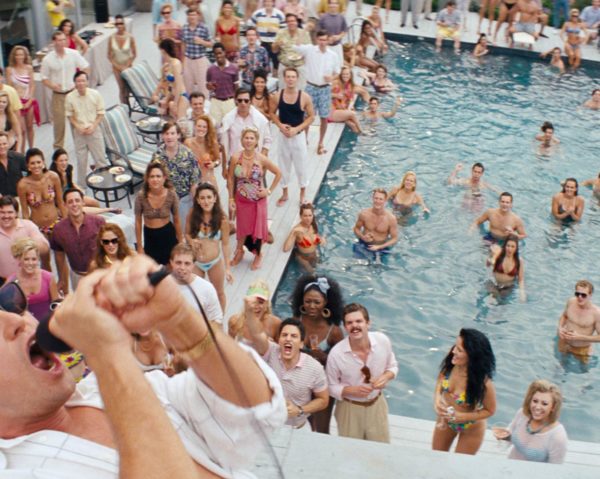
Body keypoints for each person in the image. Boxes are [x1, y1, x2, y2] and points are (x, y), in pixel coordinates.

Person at [0, 254, 286, 477]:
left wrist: (179, 319)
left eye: (10, 303)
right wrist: (107, 354)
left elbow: (258, 409)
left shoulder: (101, 392)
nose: (16, 320)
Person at [245, 300, 329, 429]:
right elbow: (256, 334)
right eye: (284, 335)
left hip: (297, 427)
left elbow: (323, 400)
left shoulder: (315, 368)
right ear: (279, 340)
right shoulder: (270, 351)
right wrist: (249, 311)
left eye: (294, 336)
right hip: (266, 425)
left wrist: (299, 410)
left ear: (301, 344)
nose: (288, 338)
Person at [326, 303, 398, 443]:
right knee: (350, 451)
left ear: (368, 323)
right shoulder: (336, 354)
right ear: (345, 327)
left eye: (359, 321)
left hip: (377, 405)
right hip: (349, 409)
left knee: (381, 448)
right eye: (349, 323)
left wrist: (385, 377)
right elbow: (330, 386)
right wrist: (352, 390)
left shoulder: (382, 341)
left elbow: (393, 366)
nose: (354, 326)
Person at [292, 274, 344, 433]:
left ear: (326, 303)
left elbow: (342, 364)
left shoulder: (334, 331)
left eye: (317, 302)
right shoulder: (296, 322)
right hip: (300, 382)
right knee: (302, 424)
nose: (312, 306)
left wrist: (324, 357)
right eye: (307, 301)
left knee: (321, 428)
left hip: (323, 384)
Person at [432, 328, 497, 454]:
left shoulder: (484, 383)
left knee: (459, 464)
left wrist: (464, 416)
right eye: (455, 346)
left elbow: (490, 410)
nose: (453, 351)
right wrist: (437, 399)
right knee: (436, 457)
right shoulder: (452, 363)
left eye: (459, 350)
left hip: (471, 428)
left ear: (472, 356)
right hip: (445, 421)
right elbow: (441, 379)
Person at [228, 127, 281, 270]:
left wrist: (268, 191)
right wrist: (231, 199)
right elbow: (231, 179)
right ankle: (239, 251)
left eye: (252, 138)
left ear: (257, 141)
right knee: (242, 228)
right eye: (246, 138)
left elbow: (278, 173)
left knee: (257, 229)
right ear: (242, 140)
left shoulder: (261, 159)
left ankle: (258, 255)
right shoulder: (235, 157)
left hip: (257, 202)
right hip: (241, 200)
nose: (249, 141)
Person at [493, 380, 568, 463]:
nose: (537, 407)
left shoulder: (557, 436)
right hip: (509, 466)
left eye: (544, 404)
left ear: (553, 407)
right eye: (535, 401)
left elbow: (555, 468)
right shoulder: (522, 414)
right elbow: (511, 433)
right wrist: (504, 437)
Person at [271, 68, 315, 206]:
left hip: (298, 136)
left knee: (301, 166)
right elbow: (271, 113)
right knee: (283, 166)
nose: (290, 79)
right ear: (284, 79)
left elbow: (311, 117)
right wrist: (280, 125)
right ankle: (285, 194)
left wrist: (297, 129)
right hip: (283, 136)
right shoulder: (277, 96)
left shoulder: (305, 97)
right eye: (288, 77)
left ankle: (302, 194)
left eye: (293, 77)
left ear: (297, 79)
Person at [185, 182, 233, 310]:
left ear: (215, 198)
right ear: (197, 200)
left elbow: (226, 244)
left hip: (214, 262)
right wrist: (191, 241)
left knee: (219, 293)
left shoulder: (222, 219)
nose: (206, 201)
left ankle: (219, 319)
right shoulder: (192, 214)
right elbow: (187, 234)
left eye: (209, 197)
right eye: (202, 198)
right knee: (196, 295)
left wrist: (228, 268)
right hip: (196, 262)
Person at [293, 30, 341, 156]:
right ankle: (304, 140)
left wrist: (332, 78)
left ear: (328, 40)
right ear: (317, 40)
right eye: (320, 40)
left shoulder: (333, 55)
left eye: (324, 40)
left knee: (324, 117)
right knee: (307, 116)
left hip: (325, 88)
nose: (322, 42)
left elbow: (337, 72)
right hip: (311, 87)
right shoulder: (310, 50)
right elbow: (296, 47)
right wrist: (301, 32)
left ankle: (320, 142)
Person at [41, 31, 89, 150]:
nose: (63, 42)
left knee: (77, 121)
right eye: (59, 40)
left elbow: (86, 67)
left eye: (64, 39)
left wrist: (81, 82)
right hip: (58, 95)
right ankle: (58, 149)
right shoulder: (48, 59)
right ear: (54, 42)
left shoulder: (73, 54)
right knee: (59, 124)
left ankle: (80, 146)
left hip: (73, 93)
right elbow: (44, 78)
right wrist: (52, 85)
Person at [51, 188, 105, 292]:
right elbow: (59, 255)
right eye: (70, 202)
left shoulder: (98, 222)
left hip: (100, 274)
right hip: (77, 276)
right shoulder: (58, 229)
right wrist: (61, 279)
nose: (74, 204)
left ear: (83, 202)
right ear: (65, 205)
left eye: (77, 200)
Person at [151, 121, 201, 232]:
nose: (169, 137)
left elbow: (194, 182)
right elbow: (152, 181)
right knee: (167, 231)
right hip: (164, 201)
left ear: (178, 135)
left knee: (185, 231)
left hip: (184, 200)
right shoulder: (157, 156)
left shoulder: (188, 154)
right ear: (162, 136)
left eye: (172, 133)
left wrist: (196, 205)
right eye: (166, 133)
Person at [65, 71, 108, 187]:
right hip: (79, 132)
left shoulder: (95, 94)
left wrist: (93, 125)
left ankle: (106, 183)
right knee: (81, 161)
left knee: (100, 159)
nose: (80, 83)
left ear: (87, 82)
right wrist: (77, 126)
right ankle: (81, 186)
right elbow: (69, 115)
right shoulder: (70, 97)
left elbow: (101, 113)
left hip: (94, 130)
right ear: (74, 83)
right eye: (78, 81)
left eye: (83, 81)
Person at [135, 161, 181, 266]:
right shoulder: (141, 196)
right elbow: (138, 221)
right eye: (152, 176)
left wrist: (180, 242)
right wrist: (139, 246)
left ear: (164, 178)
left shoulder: (172, 195)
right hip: (150, 237)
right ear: (147, 179)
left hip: (168, 235)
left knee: (171, 267)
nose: (155, 179)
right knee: (152, 269)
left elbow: (177, 220)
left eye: (158, 176)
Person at [221, 88, 272, 177]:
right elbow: (224, 145)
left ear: (250, 101)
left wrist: (261, 160)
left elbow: (267, 141)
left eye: (246, 100)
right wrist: (224, 167)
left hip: (255, 164)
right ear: (235, 101)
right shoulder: (228, 119)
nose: (243, 103)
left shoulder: (260, 119)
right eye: (240, 100)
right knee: (233, 186)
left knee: (256, 186)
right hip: (235, 163)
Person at [169, 242, 224, 325]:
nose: (182, 267)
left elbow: (216, 319)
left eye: (187, 263)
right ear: (171, 262)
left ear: (193, 265)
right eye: (178, 263)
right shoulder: (162, 285)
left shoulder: (206, 288)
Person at [17, 148, 66, 240]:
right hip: (37, 228)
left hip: (57, 222)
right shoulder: (23, 185)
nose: (36, 166)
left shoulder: (53, 177)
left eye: (38, 162)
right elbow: (25, 212)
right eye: (32, 163)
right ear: (28, 165)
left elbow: (61, 202)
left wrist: (66, 222)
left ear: (43, 162)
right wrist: (28, 233)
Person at [0, 195, 49, 282]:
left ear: (16, 213)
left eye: (10, 212)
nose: (6, 216)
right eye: (2, 212)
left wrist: (30, 245)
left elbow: (45, 248)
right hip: (3, 282)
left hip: (29, 279)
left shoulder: (28, 226)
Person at [7, 238, 59, 321]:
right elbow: (10, 313)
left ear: (38, 259)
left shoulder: (48, 277)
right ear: (19, 259)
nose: (30, 263)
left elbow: (56, 305)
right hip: (25, 325)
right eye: (26, 259)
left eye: (34, 259)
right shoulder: (11, 282)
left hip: (47, 324)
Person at [557, 280, 600, 363]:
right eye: (577, 294)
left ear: (590, 295)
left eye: (583, 295)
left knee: (584, 369)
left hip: (582, 349)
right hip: (564, 342)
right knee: (558, 365)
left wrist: (579, 337)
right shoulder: (571, 302)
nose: (579, 297)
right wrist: (560, 328)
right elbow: (564, 316)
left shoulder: (596, 313)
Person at [6, 46, 38, 151]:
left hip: (28, 100)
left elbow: (32, 85)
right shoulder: (9, 70)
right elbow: (10, 88)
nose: (19, 57)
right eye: (17, 54)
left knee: (30, 127)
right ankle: (22, 153)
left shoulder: (29, 68)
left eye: (21, 54)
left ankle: (32, 149)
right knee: (22, 129)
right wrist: (16, 103)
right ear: (14, 56)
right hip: (17, 103)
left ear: (25, 56)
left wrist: (30, 100)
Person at [353, 188, 399, 258]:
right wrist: (362, 237)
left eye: (380, 199)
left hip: (381, 248)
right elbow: (356, 229)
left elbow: (394, 239)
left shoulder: (391, 219)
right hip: (363, 243)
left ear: (385, 200)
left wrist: (379, 246)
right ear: (373, 199)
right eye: (376, 198)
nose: (378, 201)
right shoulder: (364, 214)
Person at [272, 14, 312, 89]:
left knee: (301, 91)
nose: (291, 23)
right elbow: (274, 50)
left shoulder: (304, 33)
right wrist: (277, 44)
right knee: (283, 90)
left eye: (293, 21)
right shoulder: (281, 33)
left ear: (297, 22)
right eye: (289, 21)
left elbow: (309, 50)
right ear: (286, 23)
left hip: (299, 66)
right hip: (285, 66)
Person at [284, 202, 325, 272]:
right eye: (305, 216)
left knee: (320, 268)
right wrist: (292, 232)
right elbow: (286, 249)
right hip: (303, 258)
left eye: (310, 215)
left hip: (314, 254)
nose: (308, 218)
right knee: (312, 273)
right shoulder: (297, 230)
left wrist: (322, 239)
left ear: (313, 215)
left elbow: (317, 238)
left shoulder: (313, 225)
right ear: (301, 216)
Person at [152, 39, 188, 120]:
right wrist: (165, 98)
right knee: (173, 121)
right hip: (173, 96)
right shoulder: (167, 65)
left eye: (161, 52)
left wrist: (175, 103)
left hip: (181, 96)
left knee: (180, 121)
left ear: (164, 51)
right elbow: (168, 84)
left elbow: (178, 85)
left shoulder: (176, 64)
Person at [249, 0, 286, 76]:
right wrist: (257, 39)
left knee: (276, 65)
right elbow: (251, 28)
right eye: (266, 1)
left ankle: (275, 80)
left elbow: (284, 31)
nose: (268, 3)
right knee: (262, 65)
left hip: (275, 44)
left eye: (270, 1)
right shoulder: (257, 14)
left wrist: (275, 30)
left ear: (273, 3)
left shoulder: (280, 15)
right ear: (264, 2)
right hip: (262, 43)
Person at [206, 43, 239, 126]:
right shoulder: (210, 69)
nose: (218, 56)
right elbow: (207, 84)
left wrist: (236, 100)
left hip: (229, 101)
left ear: (224, 52)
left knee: (230, 126)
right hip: (215, 101)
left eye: (220, 53)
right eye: (216, 54)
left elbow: (236, 86)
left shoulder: (233, 68)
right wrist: (209, 86)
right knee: (214, 126)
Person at [181, 8, 212, 98]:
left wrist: (202, 42)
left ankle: (205, 103)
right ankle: (189, 104)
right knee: (188, 85)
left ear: (198, 16)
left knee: (203, 85)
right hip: (188, 59)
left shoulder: (204, 28)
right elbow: (183, 44)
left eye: (194, 15)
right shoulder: (184, 28)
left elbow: (211, 44)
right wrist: (182, 60)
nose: (192, 17)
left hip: (200, 59)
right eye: (190, 15)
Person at [486, 235, 526, 302]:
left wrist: (522, 293)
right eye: (508, 246)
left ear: (516, 248)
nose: (509, 249)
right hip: (493, 283)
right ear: (505, 246)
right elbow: (488, 265)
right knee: (491, 300)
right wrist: (490, 259)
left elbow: (521, 280)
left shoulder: (519, 261)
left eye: (512, 246)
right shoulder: (498, 254)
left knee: (502, 303)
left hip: (508, 287)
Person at [108, 14, 137, 105]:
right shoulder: (111, 38)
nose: (119, 26)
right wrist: (117, 66)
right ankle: (124, 107)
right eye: (117, 24)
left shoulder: (130, 37)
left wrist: (126, 65)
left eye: (121, 23)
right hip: (116, 67)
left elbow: (134, 54)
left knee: (127, 88)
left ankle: (127, 105)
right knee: (121, 88)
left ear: (124, 24)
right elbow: (109, 55)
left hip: (127, 66)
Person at [328, 66, 366, 134]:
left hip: (341, 110)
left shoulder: (349, 85)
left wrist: (350, 107)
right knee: (352, 114)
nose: (345, 76)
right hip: (330, 111)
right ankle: (362, 131)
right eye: (343, 74)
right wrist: (335, 95)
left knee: (353, 125)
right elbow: (323, 94)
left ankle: (359, 136)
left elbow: (350, 100)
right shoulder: (336, 83)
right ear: (341, 75)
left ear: (350, 75)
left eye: (347, 74)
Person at [0, 132, 27, 199]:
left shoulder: (18, 157)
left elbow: (31, 171)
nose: (2, 147)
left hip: (20, 196)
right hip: (2, 200)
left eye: (4, 144)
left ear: (8, 144)